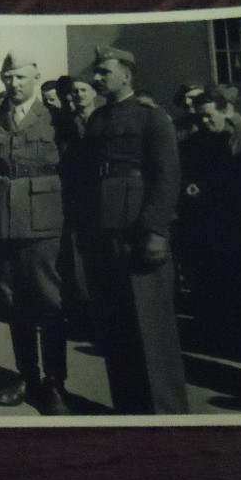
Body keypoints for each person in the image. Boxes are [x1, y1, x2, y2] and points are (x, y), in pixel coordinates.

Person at [70, 46, 189, 415]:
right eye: (97, 73)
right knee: (116, 327)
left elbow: (167, 178)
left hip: (138, 232)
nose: (97, 79)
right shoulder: (97, 119)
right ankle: (129, 410)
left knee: (152, 330)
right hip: (104, 234)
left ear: (126, 75)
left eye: (105, 72)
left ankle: (166, 415)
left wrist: (155, 231)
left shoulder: (152, 119)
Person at [0, 54, 70, 415]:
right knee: (13, 301)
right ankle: (26, 375)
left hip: (45, 220)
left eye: (19, 77)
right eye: (7, 77)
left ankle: (55, 383)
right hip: (3, 219)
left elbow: (72, 167)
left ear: (36, 76)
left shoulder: (58, 119)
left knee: (49, 301)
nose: (13, 83)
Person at [177, 86, 241, 341]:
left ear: (222, 112)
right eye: (199, 118)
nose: (204, 122)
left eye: (208, 116)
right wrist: (190, 188)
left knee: (236, 273)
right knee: (204, 275)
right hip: (200, 220)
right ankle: (210, 326)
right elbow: (184, 177)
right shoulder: (192, 144)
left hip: (231, 221)